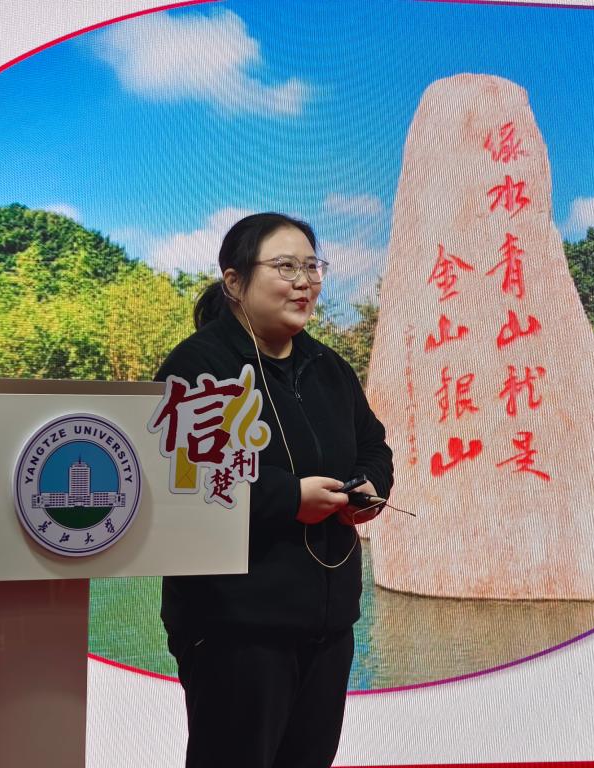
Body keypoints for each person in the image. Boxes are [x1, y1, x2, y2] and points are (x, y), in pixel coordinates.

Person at [154, 212, 393, 768]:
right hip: (236, 630)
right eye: (285, 267)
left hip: (328, 627)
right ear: (234, 282)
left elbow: (373, 446)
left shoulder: (328, 368)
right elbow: (185, 481)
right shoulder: (198, 368)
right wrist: (291, 499)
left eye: (312, 267)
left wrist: (370, 485)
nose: (304, 282)